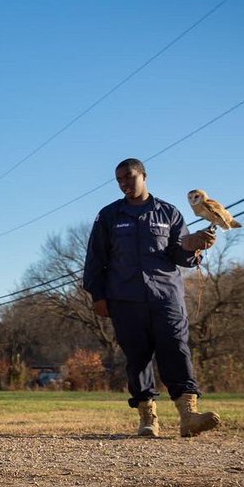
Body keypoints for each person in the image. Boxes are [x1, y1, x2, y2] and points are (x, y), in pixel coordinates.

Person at [83, 157, 221, 438]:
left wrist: (194, 247)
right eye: (119, 179)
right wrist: (98, 295)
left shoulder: (169, 213)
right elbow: (96, 259)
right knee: (137, 356)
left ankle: (188, 416)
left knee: (176, 349)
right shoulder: (108, 216)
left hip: (166, 296)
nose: (124, 183)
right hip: (124, 298)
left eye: (129, 177)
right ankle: (148, 418)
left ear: (144, 176)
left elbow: (180, 255)